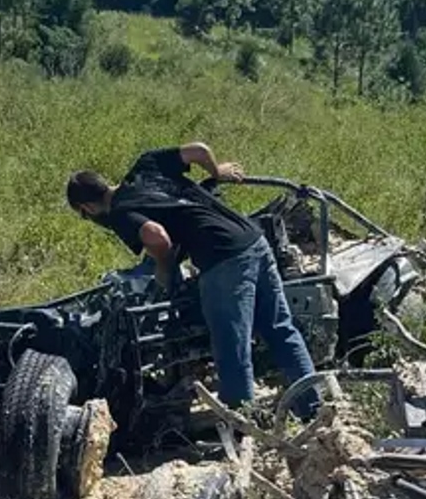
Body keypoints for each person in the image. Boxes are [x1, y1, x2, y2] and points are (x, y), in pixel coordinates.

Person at [66, 141, 321, 419]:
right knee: (280, 329)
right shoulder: (147, 165)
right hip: (253, 239)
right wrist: (217, 170)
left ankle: (241, 427)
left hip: (223, 260)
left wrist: (165, 265)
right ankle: (314, 411)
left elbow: (155, 235)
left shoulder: (120, 213)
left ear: (87, 208)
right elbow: (198, 150)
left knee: (231, 347)